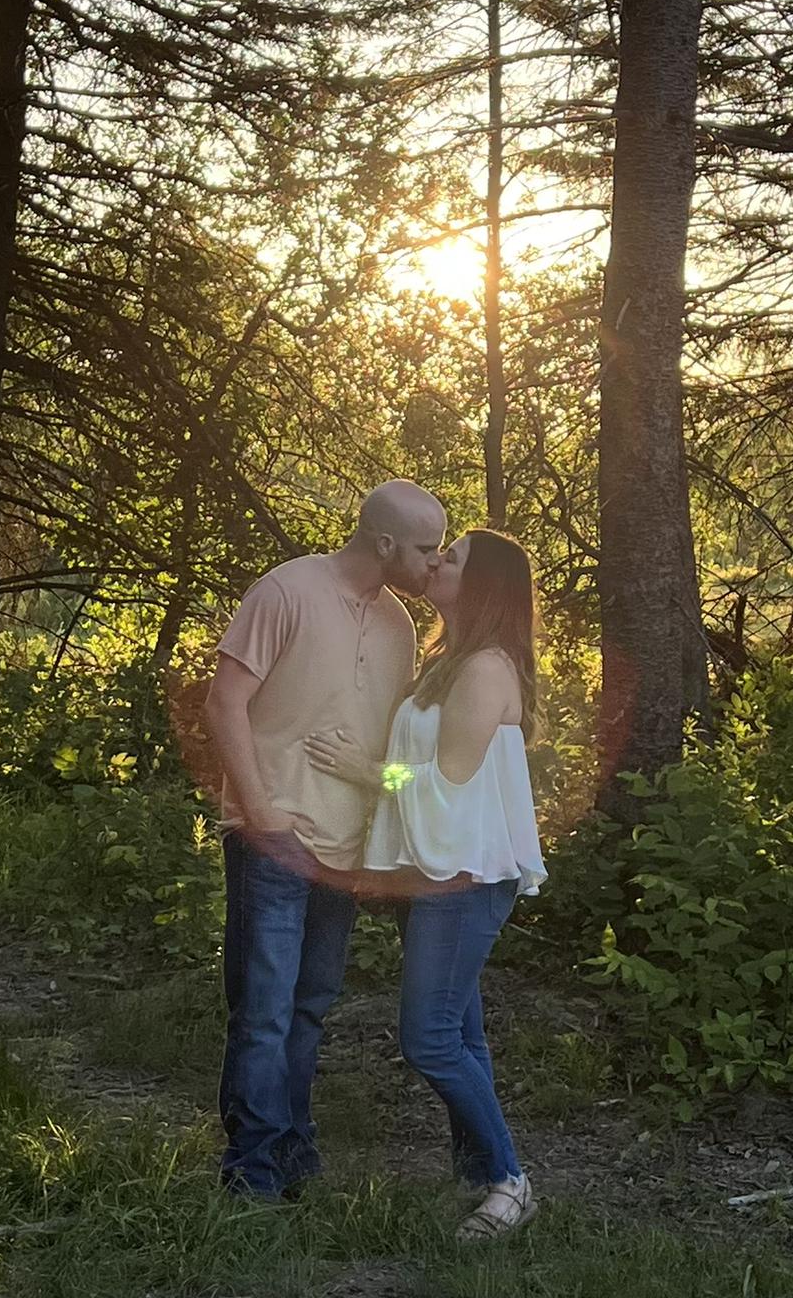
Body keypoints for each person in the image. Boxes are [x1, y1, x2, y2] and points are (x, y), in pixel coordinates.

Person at [203, 478, 447, 1201]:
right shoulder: (286, 591)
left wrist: (385, 822)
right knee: (264, 1012)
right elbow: (223, 702)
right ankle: (251, 1173)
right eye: (426, 548)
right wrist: (262, 814)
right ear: (385, 543)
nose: (435, 562)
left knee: (307, 1009)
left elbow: (390, 749)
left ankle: (294, 1151)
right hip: (274, 839)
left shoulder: (401, 625)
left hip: (346, 852)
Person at [304, 527, 546, 1242]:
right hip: (432, 870)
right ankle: (476, 1174)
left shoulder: (486, 671)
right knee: (462, 1034)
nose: (439, 560)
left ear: (483, 585)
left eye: (456, 557)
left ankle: (510, 1182)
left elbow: (447, 781)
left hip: (463, 877)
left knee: (430, 1040)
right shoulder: (450, 659)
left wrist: (361, 773)